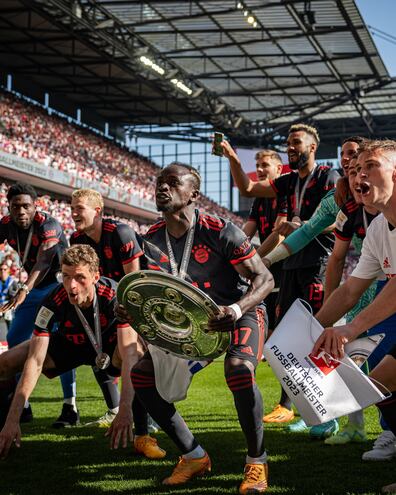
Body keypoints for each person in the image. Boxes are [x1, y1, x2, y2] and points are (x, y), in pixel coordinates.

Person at [119, 162, 274, 493]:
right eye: (160, 182)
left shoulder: (221, 230)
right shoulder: (149, 240)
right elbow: (148, 294)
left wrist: (236, 308)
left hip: (238, 313)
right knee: (142, 376)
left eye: (173, 183)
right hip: (195, 326)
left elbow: (264, 278)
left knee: (239, 371)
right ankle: (193, 455)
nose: (163, 187)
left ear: (194, 194)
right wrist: (127, 307)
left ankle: (257, 462)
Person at [222, 124, 339, 431]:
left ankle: (327, 413)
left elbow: (338, 222)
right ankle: (294, 407)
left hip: (318, 264)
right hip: (289, 264)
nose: (290, 147)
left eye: (296, 143)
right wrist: (233, 157)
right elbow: (247, 189)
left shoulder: (329, 177)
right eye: (288, 143)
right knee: (286, 338)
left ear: (312, 147)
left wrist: (306, 227)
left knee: (314, 337)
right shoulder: (287, 181)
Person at [0, 244, 164, 460]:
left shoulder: (115, 296)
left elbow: (129, 353)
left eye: (79, 277)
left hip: (110, 347)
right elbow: (36, 360)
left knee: (139, 355)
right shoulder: (52, 302)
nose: (71, 285)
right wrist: (13, 418)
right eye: (66, 276)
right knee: (5, 362)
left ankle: (142, 435)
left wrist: (125, 410)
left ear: (95, 276)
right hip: (71, 345)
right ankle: (5, 430)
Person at [312, 139, 396, 463]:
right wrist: (309, 328)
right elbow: (350, 291)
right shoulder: (377, 229)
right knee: (377, 384)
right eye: (356, 169)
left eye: (370, 167)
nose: (359, 175)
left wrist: (350, 329)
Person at [69, 188, 161, 452]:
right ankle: (114, 409)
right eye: (72, 207)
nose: (74, 212)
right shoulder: (76, 238)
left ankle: (150, 418)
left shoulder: (120, 232)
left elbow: (133, 284)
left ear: (97, 211)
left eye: (79, 208)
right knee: (96, 348)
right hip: (107, 303)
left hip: (140, 300)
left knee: (139, 357)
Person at [0, 182, 75, 426]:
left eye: (25, 206)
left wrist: (23, 288)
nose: (20, 211)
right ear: (8, 208)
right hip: (33, 288)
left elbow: (44, 260)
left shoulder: (48, 224)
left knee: (62, 343)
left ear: (35, 206)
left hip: (58, 285)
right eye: (15, 207)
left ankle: (69, 406)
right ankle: (23, 405)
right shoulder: (5, 225)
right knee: (15, 339)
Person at [241, 150, 287, 334]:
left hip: (286, 263)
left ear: (279, 168)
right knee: (268, 323)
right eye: (257, 166)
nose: (259, 170)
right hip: (268, 265)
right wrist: (237, 254)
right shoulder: (260, 198)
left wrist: (253, 260)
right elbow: (247, 232)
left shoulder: (285, 192)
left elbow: (279, 235)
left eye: (265, 165)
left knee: (281, 323)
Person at [0, 263, 18, 341]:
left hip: (8, 306)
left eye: (5, 269)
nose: (2, 271)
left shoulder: (13, 282)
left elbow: (16, 297)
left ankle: (11, 343)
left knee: (10, 326)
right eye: (1, 269)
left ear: (8, 271)